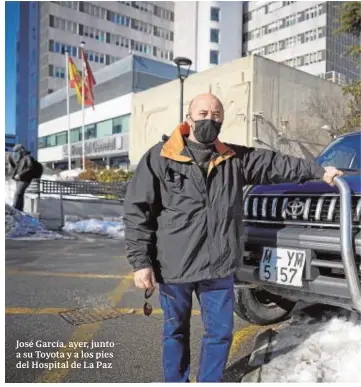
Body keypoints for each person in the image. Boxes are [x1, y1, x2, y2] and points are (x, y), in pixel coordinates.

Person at [123, 93, 344, 383]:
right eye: (203, 113)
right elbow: (137, 209)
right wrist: (141, 261)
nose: (209, 119)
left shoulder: (233, 158)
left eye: (216, 115)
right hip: (174, 266)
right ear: (189, 118)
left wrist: (318, 171)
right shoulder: (161, 156)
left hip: (218, 267)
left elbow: (275, 164)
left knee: (220, 334)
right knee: (175, 330)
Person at [8, 144, 35, 212]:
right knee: (20, 194)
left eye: (16, 151)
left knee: (17, 194)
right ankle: (19, 209)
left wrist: (20, 175)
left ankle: (15, 208)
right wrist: (10, 161)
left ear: (21, 150)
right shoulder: (20, 159)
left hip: (25, 179)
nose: (15, 153)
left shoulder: (28, 157)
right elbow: (16, 168)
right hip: (19, 179)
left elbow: (30, 167)